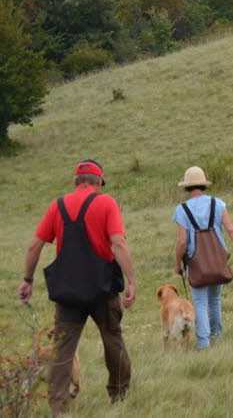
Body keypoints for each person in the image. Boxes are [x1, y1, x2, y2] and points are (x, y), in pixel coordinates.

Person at [18, 159, 136, 416]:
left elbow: (34, 246)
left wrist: (27, 280)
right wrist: (132, 281)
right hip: (103, 289)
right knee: (113, 341)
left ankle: (58, 407)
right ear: (98, 182)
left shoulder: (57, 206)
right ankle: (119, 397)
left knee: (62, 351)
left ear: (76, 181)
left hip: (68, 293)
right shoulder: (106, 203)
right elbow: (118, 244)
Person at [173, 166, 233, 350]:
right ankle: (216, 336)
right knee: (215, 300)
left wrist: (178, 264)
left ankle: (203, 343)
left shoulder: (182, 210)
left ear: (186, 186)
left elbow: (182, 242)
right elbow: (231, 230)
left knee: (199, 301)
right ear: (203, 184)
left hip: (196, 262)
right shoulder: (218, 204)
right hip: (218, 260)